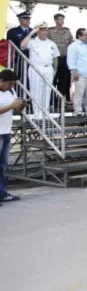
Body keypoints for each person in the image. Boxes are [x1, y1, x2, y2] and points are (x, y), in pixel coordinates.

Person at [21, 23, 59, 120]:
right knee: (36, 91)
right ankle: (37, 113)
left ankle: (45, 112)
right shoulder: (33, 41)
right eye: (42, 30)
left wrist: (55, 69)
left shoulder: (51, 43)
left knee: (47, 91)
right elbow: (22, 45)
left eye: (46, 30)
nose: (45, 32)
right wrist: (31, 33)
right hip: (36, 68)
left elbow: (55, 57)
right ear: (38, 31)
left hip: (48, 69)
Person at [0, 69, 26, 205]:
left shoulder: (11, 92)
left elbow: (16, 108)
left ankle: (2, 193)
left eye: (13, 84)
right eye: (9, 84)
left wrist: (20, 106)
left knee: (3, 165)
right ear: (2, 81)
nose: (11, 87)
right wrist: (11, 106)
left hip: (5, 131)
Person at [67, 29, 87, 117]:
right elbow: (71, 59)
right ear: (79, 36)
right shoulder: (74, 46)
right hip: (80, 74)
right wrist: (73, 70)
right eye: (85, 35)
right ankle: (78, 111)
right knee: (79, 93)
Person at [49, 13, 74, 103]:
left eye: (63, 19)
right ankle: (51, 100)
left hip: (65, 58)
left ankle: (59, 101)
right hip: (54, 59)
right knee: (53, 80)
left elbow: (72, 44)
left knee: (64, 81)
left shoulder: (67, 31)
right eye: (60, 19)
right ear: (56, 20)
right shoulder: (50, 31)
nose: (62, 21)